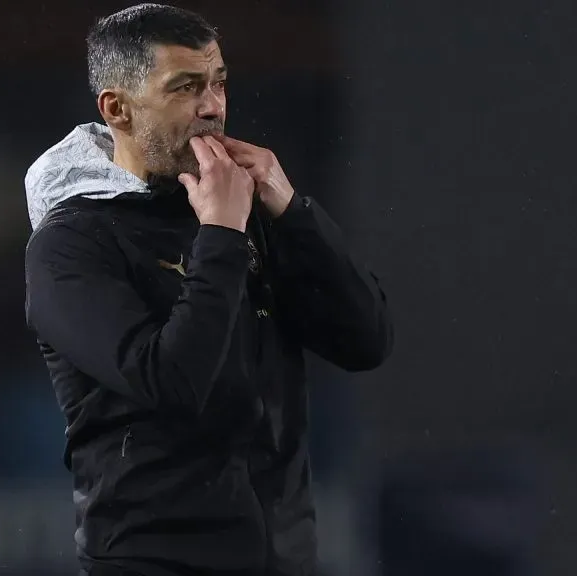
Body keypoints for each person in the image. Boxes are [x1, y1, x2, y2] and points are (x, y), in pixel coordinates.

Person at [23, 4, 393, 575]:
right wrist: (220, 235)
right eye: (186, 88)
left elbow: (366, 340)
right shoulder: (71, 246)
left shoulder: (248, 211)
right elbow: (174, 382)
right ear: (117, 108)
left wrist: (293, 213)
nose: (213, 107)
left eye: (219, 83)